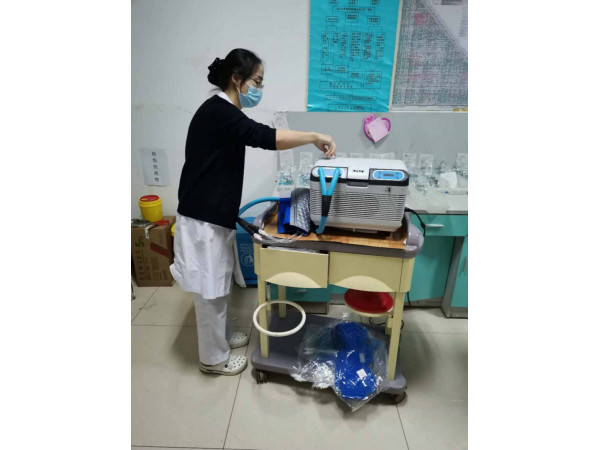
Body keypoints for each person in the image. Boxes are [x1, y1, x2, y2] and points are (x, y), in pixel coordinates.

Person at [170, 48, 337, 376]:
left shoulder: (222, 110)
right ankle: (212, 359)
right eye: (257, 81)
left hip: (213, 213)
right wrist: (313, 136)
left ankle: (222, 338)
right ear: (237, 79)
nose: (259, 88)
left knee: (219, 283)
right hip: (203, 218)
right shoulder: (219, 111)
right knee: (210, 291)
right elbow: (263, 136)